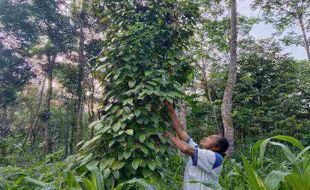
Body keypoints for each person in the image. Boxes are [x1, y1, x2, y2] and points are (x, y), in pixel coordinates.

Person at [163, 100, 229, 190]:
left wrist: (170, 136)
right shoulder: (198, 151)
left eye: (210, 138)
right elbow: (181, 132)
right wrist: (171, 110)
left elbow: (185, 148)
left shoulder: (214, 157)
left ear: (216, 148)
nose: (206, 138)